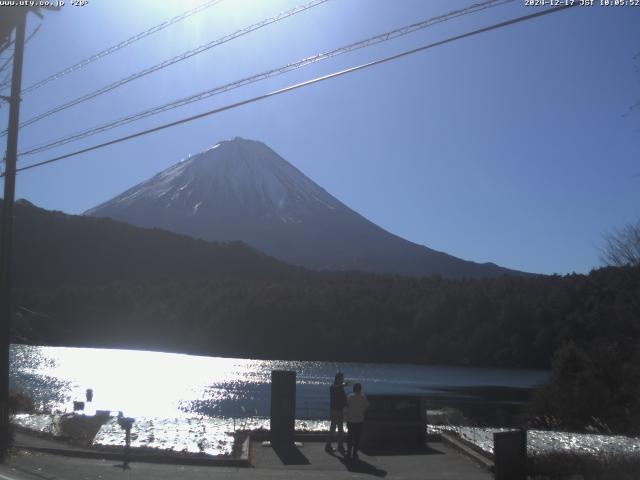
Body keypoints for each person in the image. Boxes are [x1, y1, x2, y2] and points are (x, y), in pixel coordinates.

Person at [325, 372, 349, 453]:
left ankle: (336, 445)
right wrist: (344, 385)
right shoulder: (333, 387)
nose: (342, 380)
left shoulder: (338, 387)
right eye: (341, 378)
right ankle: (333, 446)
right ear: (338, 378)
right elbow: (336, 388)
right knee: (335, 428)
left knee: (338, 428)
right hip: (336, 410)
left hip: (338, 410)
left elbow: (342, 397)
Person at [345, 382, 368, 460]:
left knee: (350, 437)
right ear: (360, 389)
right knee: (357, 437)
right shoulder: (363, 397)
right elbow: (366, 407)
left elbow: (346, 406)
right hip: (359, 420)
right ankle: (354, 453)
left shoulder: (349, 397)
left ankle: (348, 452)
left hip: (350, 420)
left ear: (353, 389)